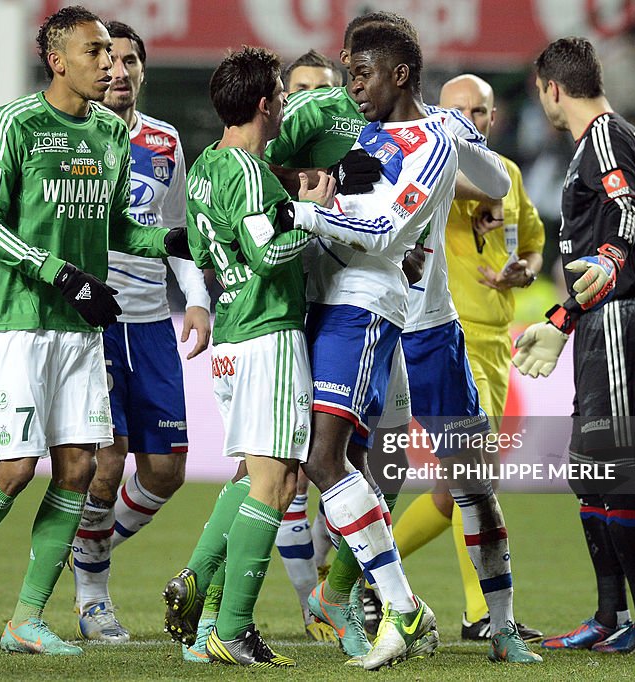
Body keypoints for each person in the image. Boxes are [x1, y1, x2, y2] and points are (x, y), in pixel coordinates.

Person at [0, 6, 188, 656]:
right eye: (97, 53)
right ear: (58, 59)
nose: (112, 65)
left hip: (79, 328)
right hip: (17, 322)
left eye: (117, 55)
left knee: (78, 468)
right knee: (13, 469)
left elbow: (120, 228)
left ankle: (26, 618)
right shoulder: (15, 122)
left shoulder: (109, 133)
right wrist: (60, 273)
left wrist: (175, 240)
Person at [266, 12, 532, 665]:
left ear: (400, 73)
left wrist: (304, 212)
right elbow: (369, 223)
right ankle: (372, 605)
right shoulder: (365, 143)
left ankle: (499, 627)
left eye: (361, 73)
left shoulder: (435, 135)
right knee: (343, 469)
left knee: (469, 483)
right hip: (369, 316)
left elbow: (494, 184)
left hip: (427, 328)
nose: (352, 87)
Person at [160, 46, 335, 668]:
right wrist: (315, 215)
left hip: (232, 336)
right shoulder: (251, 172)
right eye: (283, 98)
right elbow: (269, 254)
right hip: (267, 334)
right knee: (274, 481)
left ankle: (199, 583)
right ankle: (231, 628)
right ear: (266, 104)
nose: (286, 106)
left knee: (267, 475)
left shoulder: (207, 164)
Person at [514, 36, 635, 655]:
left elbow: (624, 213)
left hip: (621, 317)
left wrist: (605, 263)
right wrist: (560, 318)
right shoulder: (600, 141)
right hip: (604, 314)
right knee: (591, 471)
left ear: (552, 88)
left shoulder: (605, 136)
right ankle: (610, 617)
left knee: (612, 471)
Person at [390, 74, 545, 644]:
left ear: (494, 117)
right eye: (459, 111)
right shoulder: (434, 167)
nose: (471, 120)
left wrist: (523, 269)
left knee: (451, 491)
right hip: (448, 337)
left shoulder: (507, 175)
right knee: (474, 479)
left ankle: (354, 569)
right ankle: (482, 612)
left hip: (498, 341)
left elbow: (532, 238)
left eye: (480, 111)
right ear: (437, 114)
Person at [70, 19, 211, 645]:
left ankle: (88, 548)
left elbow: (177, 229)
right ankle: (92, 593)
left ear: (143, 71)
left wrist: (199, 301)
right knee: (106, 465)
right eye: (109, 58)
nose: (119, 71)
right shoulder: (66, 137)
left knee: (165, 471)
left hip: (154, 320)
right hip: (93, 319)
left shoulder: (164, 140)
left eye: (131, 61)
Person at [272, 46, 343, 646]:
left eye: (327, 90)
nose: (313, 102)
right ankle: (309, 603)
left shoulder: (356, 151)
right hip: (279, 327)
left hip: (344, 321)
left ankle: (331, 587)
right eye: (302, 90)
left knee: (343, 463)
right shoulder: (260, 163)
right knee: (278, 469)